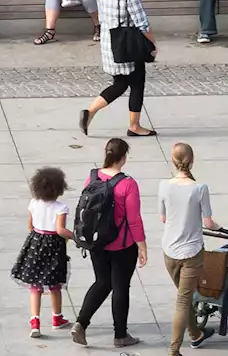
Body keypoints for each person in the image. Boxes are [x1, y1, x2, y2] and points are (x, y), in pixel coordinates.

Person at [71, 139, 147, 347]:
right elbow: (134, 219)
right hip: (122, 244)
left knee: (102, 282)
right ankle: (120, 335)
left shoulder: (93, 176)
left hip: (97, 241)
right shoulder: (128, 184)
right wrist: (142, 245)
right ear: (123, 157)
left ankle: (81, 323)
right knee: (121, 286)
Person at [79, 0, 157, 137]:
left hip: (110, 43)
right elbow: (141, 22)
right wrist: (153, 43)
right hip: (128, 44)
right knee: (137, 83)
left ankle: (90, 112)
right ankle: (134, 126)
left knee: (120, 83)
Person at [158, 143, 221, 353]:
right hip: (191, 252)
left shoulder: (164, 186)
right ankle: (174, 349)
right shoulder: (199, 188)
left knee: (183, 296)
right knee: (183, 301)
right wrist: (221, 228)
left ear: (173, 161)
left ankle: (195, 334)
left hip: (169, 250)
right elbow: (209, 223)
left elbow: (164, 218)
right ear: (192, 161)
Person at [10, 166, 74, 339]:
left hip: (35, 243)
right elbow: (60, 230)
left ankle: (35, 323)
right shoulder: (61, 207)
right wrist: (75, 237)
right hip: (53, 247)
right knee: (54, 285)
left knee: (35, 286)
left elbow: (30, 226)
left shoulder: (33, 203)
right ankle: (57, 317)